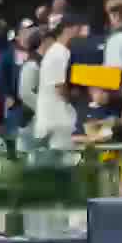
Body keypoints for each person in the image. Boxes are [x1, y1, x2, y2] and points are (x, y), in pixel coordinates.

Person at [36, 14, 87, 147]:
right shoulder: (60, 53)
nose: (81, 33)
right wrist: (74, 97)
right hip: (58, 120)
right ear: (67, 29)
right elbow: (60, 87)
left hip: (52, 118)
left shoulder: (56, 51)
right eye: (79, 29)